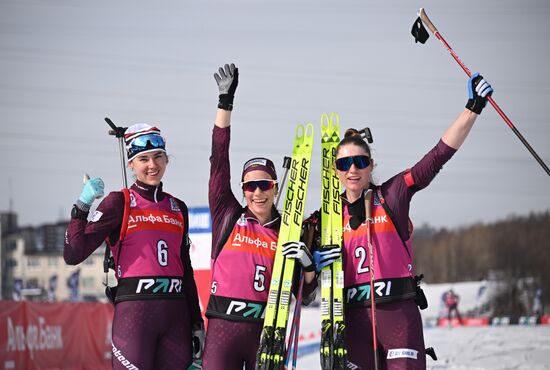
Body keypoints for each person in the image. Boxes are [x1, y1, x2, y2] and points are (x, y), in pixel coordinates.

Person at [308, 73, 494, 369]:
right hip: (353, 322)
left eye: (361, 161)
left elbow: (435, 159)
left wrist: (472, 107)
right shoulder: (324, 219)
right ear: (335, 171)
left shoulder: (392, 195)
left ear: (371, 166)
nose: (353, 169)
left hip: (399, 316)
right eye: (345, 163)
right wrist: (309, 267)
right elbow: (303, 294)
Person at [202, 63, 317, 370]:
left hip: (266, 333)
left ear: (275, 188)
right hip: (222, 328)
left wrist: (308, 267)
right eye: (250, 186)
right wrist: (224, 103)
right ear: (242, 189)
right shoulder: (227, 214)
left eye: (264, 185)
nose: (257, 193)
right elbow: (218, 160)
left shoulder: (288, 231)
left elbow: (304, 296)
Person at [63, 124, 204, 370]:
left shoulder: (177, 207)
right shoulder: (119, 202)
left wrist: (197, 324)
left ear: (167, 159)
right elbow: (74, 253)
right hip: (135, 317)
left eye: (159, 156)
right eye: (143, 159)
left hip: (176, 318)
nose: (153, 165)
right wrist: (83, 205)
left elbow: (186, 270)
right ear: (131, 164)